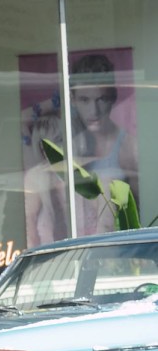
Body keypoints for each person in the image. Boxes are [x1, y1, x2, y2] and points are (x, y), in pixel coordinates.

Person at [69, 53, 139, 235]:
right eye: (85, 100)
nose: (94, 111)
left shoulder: (129, 146)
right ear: (73, 100)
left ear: (113, 97)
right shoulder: (69, 145)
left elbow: (139, 218)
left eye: (102, 99)